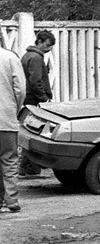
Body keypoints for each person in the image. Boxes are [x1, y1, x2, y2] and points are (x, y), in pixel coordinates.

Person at [19, 30, 54, 176]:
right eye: (47, 45)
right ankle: (28, 168)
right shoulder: (36, 58)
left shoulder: (28, 55)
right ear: (39, 42)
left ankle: (29, 169)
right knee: (36, 134)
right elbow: (35, 82)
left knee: (31, 133)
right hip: (34, 100)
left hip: (28, 98)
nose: (49, 48)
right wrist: (45, 99)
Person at [0, 46, 27, 214]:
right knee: (9, 159)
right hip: (5, 118)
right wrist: (14, 109)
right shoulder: (10, 58)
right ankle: (11, 200)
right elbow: (21, 90)